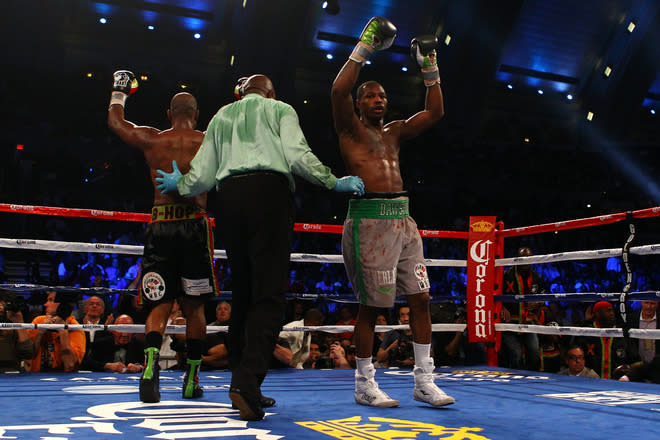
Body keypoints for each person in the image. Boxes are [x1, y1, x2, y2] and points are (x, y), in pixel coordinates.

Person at [155, 73, 365, 421]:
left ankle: (242, 378)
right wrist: (333, 181)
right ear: (270, 92)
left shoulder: (222, 115)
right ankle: (246, 384)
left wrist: (183, 182)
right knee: (268, 295)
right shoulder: (280, 109)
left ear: (243, 93)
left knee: (244, 295)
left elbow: (204, 173)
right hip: (269, 195)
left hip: (230, 201)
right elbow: (298, 156)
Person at [331, 16, 453, 407]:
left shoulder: (395, 131)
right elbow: (338, 89)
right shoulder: (349, 128)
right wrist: (365, 47)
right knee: (373, 307)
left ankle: (424, 380)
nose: (378, 100)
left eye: (382, 95)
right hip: (368, 221)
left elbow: (434, 113)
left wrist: (429, 65)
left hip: (404, 220)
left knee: (420, 297)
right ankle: (364, 383)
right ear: (359, 103)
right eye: (369, 95)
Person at [107, 70, 218, 403]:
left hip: (161, 226)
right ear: (196, 116)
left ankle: (149, 368)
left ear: (168, 115)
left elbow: (116, 123)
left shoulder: (153, 138)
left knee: (159, 303)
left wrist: (119, 91)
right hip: (194, 225)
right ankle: (192, 378)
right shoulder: (209, 140)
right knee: (195, 307)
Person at [500, 247, 546, 371]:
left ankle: (532, 380)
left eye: (528, 258)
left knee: (534, 351)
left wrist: (537, 303)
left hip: (528, 323)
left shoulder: (537, 277)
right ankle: (516, 382)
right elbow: (493, 294)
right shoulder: (506, 275)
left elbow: (544, 299)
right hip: (509, 323)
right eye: (522, 258)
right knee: (516, 353)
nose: (525, 261)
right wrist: (502, 307)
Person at [572, 301, 641, 379]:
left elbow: (636, 360)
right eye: (608, 311)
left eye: (612, 310)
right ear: (597, 313)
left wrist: (628, 375)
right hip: (590, 380)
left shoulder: (622, 333)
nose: (611, 313)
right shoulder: (586, 333)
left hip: (618, 382)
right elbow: (574, 360)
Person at [27, 291, 86, 372]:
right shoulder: (39, 320)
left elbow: (69, 364)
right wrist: (41, 332)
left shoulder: (74, 327)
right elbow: (28, 357)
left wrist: (62, 330)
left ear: (62, 305)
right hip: (37, 377)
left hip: (63, 380)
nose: (45, 304)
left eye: (51, 300)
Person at [0, 297, 34, 372]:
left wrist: (19, 322)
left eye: (2, 306)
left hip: (11, 374)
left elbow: (27, 353)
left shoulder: (12, 330)